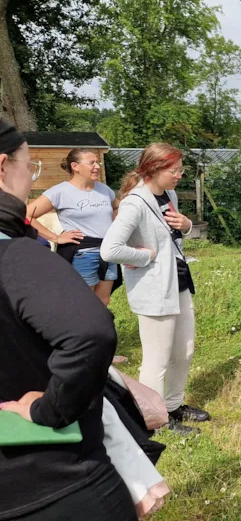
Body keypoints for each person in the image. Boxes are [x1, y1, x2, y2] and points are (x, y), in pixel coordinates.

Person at [0, 121, 137, 520]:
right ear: (3, 167)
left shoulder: (106, 193)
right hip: (51, 481)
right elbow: (89, 334)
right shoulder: (18, 257)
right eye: (30, 167)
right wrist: (50, 409)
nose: (31, 177)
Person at [101, 143, 210, 435]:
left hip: (179, 282)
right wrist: (144, 256)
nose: (179, 175)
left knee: (183, 351)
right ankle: (154, 420)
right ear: (154, 169)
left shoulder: (169, 195)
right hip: (153, 289)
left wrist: (186, 225)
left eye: (180, 169)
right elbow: (109, 250)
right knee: (157, 359)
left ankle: (173, 406)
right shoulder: (135, 203)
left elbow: (174, 235)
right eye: (174, 170)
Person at [26, 148, 120, 306]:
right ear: (75, 166)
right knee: (83, 302)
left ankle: (98, 330)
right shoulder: (60, 191)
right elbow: (27, 215)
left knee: (103, 301)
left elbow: (117, 207)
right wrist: (55, 238)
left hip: (108, 252)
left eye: (98, 162)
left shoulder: (104, 190)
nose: (97, 166)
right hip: (82, 254)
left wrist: (114, 229)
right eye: (92, 163)